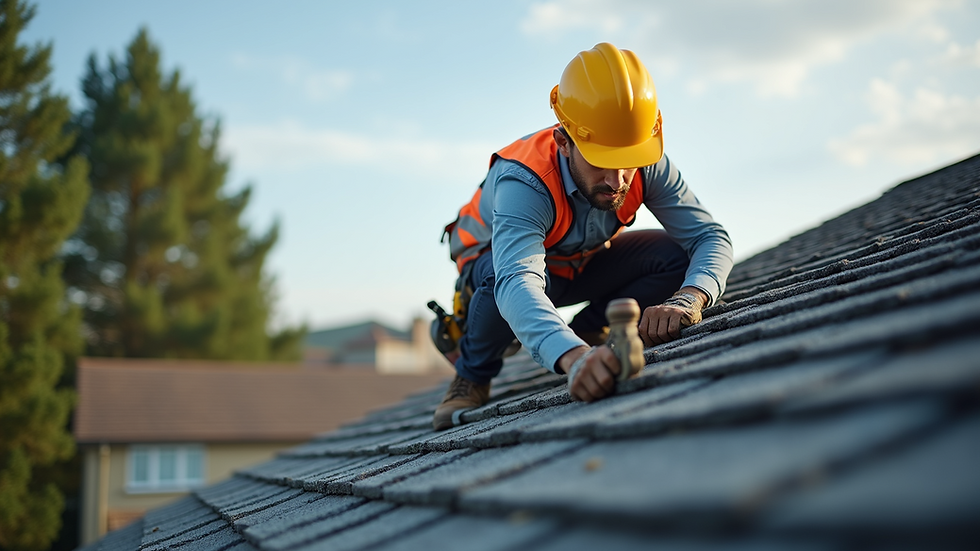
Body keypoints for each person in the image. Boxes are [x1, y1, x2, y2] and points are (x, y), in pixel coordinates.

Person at [432, 43, 733, 431]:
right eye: (601, 161)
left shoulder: (647, 159)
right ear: (563, 141)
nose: (617, 180)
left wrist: (692, 297)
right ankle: (472, 373)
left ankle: (593, 327)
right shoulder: (525, 179)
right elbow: (516, 281)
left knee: (675, 255)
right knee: (497, 279)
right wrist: (573, 358)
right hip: (499, 273)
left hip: (578, 264)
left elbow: (709, 236)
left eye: (628, 160)